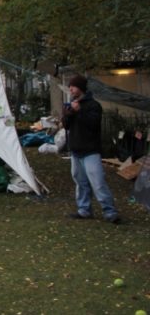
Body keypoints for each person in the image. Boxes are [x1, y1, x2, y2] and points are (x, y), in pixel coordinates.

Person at [62, 75, 120, 224]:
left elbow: (93, 125)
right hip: (76, 151)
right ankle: (84, 210)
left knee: (98, 182)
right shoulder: (72, 104)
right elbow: (66, 125)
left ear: (80, 88)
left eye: (73, 87)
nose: (70, 89)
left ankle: (110, 211)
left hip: (90, 151)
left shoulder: (93, 106)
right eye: (70, 87)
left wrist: (79, 111)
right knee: (80, 182)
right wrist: (69, 113)